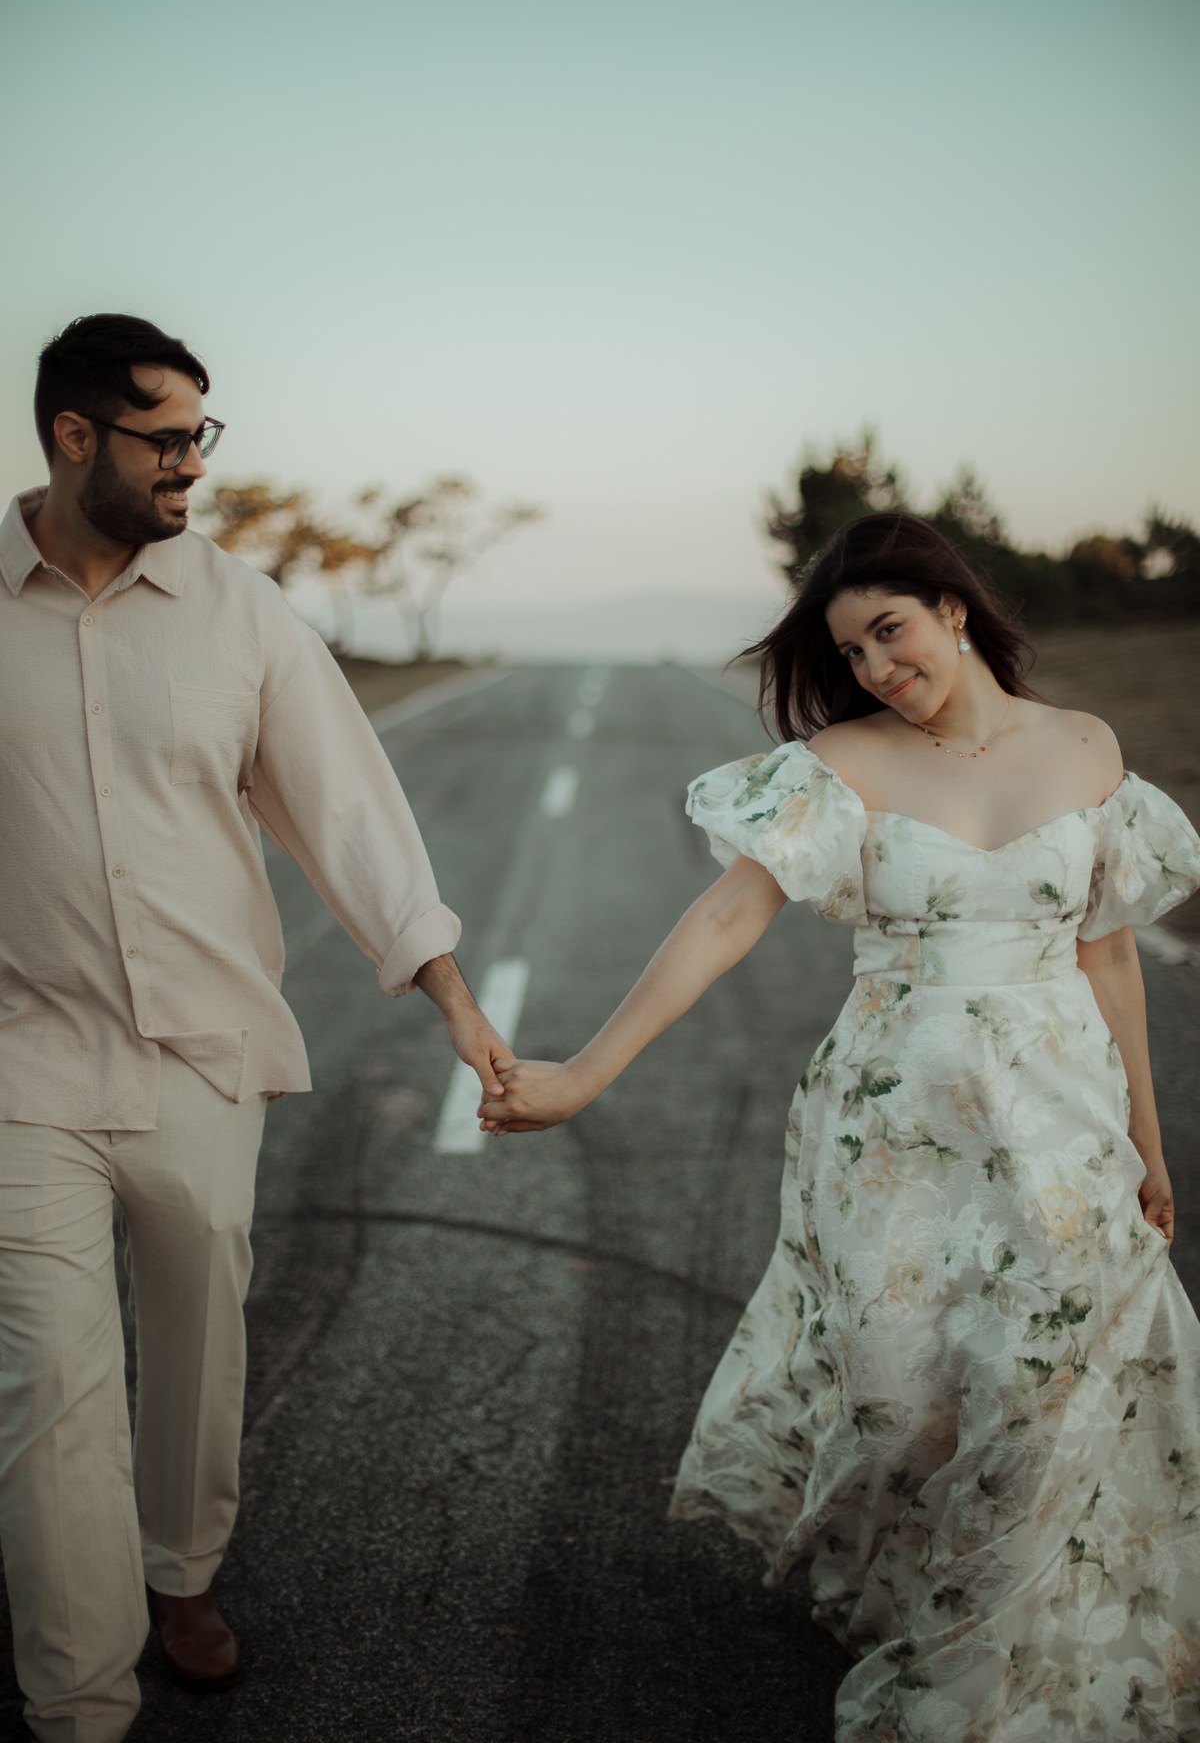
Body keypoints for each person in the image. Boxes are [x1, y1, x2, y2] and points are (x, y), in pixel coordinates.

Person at [479, 513, 1200, 1740]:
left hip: (1062, 1127)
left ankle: (1007, 1652)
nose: (874, 666)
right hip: (890, 1134)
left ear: (954, 612)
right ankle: (920, 1569)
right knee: (907, 1397)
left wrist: (1149, 1136)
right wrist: (582, 1076)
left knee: (1047, 1379)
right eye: (853, 651)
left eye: (890, 631)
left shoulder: (1084, 747)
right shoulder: (844, 763)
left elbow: (1112, 950)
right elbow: (723, 921)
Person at [0, 313, 514, 1743]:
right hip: (22, 1064)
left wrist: (454, 1002)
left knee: (196, 1334)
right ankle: (82, 1703)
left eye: (201, 440)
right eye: (168, 441)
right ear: (73, 437)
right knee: (49, 1385)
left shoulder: (241, 611)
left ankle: (179, 1573)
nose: (194, 470)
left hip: (203, 1060)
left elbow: (347, 810)